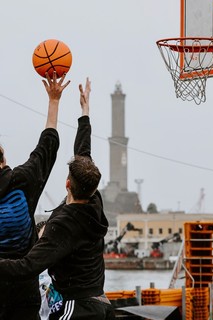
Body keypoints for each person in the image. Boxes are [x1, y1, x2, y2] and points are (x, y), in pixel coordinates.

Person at [0, 78, 116, 320]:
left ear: (67, 183)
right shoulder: (94, 202)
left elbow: (28, 267)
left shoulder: (62, 225)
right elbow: (80, 154)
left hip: (79, 308)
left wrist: (81, 111)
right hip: (101, 304)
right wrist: (84, 113)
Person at [0, 72, 70, 320]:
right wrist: (54, 100)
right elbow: (47, 146)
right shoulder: (23, 179)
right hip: (23, 289)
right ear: (3, 160)